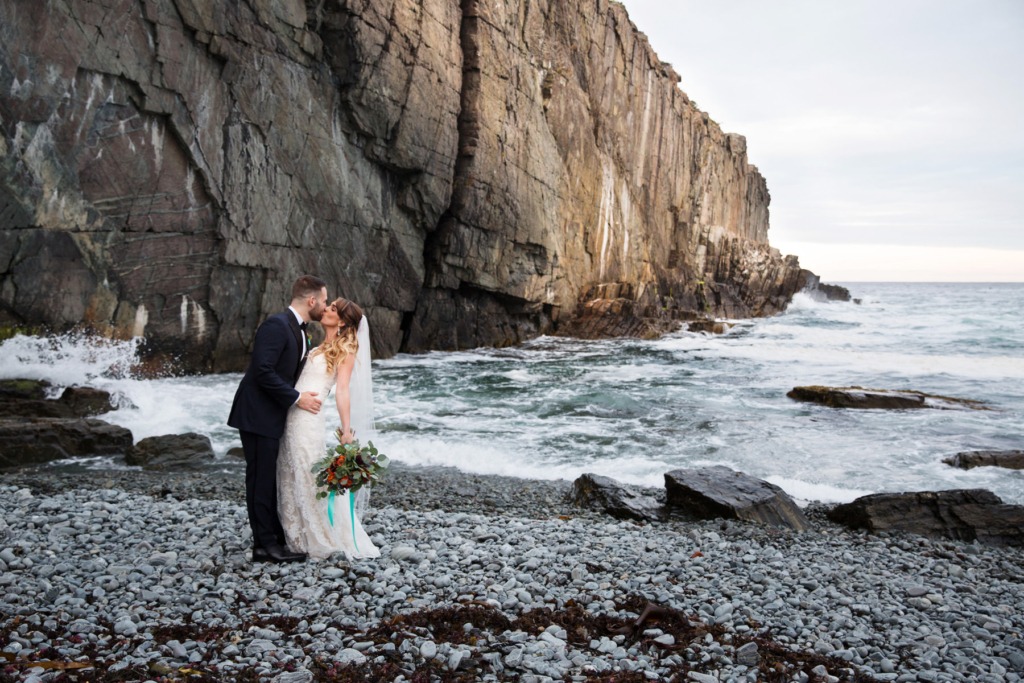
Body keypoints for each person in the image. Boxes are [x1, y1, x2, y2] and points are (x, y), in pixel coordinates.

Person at [227, 275, 327, 564]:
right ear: (311, 301)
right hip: (257, 414)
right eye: (322, 300)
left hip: (272, 414)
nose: (324, 305)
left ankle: (274, 538)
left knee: (268, 479)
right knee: (260, 480)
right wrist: (297, 398)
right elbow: (263, 370)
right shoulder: (276, 325)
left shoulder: (299, 329)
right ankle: (263, 546)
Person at [276, 298, 381, 561]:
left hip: (308, 419)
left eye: (333, 308)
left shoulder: (346, 349)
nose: (326, 309)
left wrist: (346, 430)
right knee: (290, 470)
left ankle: (323, 536)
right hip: (292, 412)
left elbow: (342, 390)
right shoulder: (318, 343)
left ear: (343, 320)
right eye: (329, 305)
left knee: (307, 471)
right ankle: (294, 534)